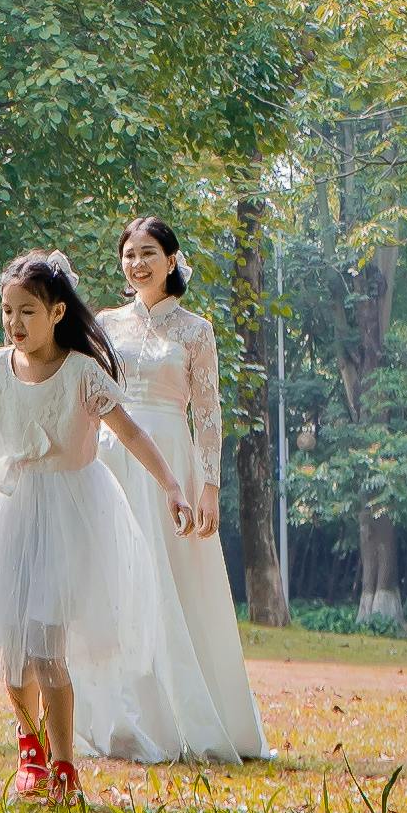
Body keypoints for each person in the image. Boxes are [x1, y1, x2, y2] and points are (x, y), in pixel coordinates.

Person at [0, 248, 188, 806]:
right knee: (16, 648)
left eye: (27, 311)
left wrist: (170, 483)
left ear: (56, 314)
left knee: (47, 647)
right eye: (7, 312)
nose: (15, 324)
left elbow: (131, 431)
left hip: (70, 510)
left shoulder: (80, 371)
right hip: (10, 509)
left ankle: (65, 765)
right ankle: (31, 751)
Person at [96, 215, 269, 763]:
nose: (138, 263)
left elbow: (209, 413)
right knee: (113, 579)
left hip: (172, 452)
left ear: (171, 261)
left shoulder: (196, 330)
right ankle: (117, 718)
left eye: (148, 253)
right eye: (129, 254)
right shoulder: (105, 323)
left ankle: (189, 717)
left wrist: (210, 486)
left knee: (172, 581)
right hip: (113, 454)